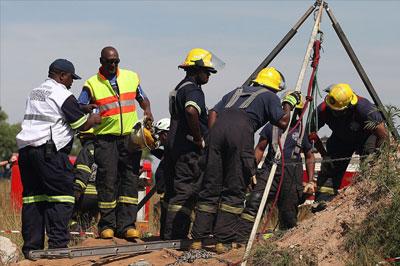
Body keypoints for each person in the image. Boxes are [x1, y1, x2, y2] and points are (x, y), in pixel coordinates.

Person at [191, 67, 301, 253]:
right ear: (275, 87)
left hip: (217, 133)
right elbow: (283, 123)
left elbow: (212, 113)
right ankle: (223, 241)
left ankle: (197, 239)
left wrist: (211, 138)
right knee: (234, 189)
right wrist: (289, 104)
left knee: (210, 187)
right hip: (240, 134)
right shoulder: (269, 96)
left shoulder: (237, 91)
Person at [16, 59, 101, 258]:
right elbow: (82, 125)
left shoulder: (35, 92)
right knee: (62, 196)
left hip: (27, 153)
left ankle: (32, 250)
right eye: (71, 78)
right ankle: (57, 248)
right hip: (49, 153)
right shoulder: (63, 94)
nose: (72, 83)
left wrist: (82, 108)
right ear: (62, 75)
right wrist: (94, 119)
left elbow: (54, 113)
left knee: (34, 200)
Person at [80, 46, 153, 239]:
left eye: (116, 61)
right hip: (105, 139)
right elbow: (80, 106)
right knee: (107, 181)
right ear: (101, 62)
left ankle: (127, 225)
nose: (113, 65)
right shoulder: (91, 83)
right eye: (109, 62)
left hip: (129, 138)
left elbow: (142, 97)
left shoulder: (130, 77)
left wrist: (147, 110)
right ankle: (106, 225)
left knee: (129, 180)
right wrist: (88, 110)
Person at [235, 93, 316, 244]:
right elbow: (259, 149)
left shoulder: (301, 130)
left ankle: (286, 241)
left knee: (288, 210)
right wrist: (251, 171)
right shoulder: (271, 126)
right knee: (255, 201)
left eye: (296, 111)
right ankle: (242, 237)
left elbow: (310, 156)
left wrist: (311, 181)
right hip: (270, 169)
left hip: (291, 173)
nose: (292, 114)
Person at [163, 48, 221, 240]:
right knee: (185, 192)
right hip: (188, 150)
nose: (209, 76)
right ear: (196, 70)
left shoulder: (180, 86)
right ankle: (176, 236)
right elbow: (190, 111)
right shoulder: (193, 90)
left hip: (175, 147)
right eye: (207, 72)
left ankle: (168, 234)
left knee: (173, 193)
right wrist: (198, 138)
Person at [308, 83, 388, 203]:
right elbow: (310, 132)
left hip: (366, 137)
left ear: (349, 105)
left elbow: (382, 133)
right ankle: (322, 202)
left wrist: (379, 154)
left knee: (370, 164)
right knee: (330, 166)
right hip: (341, 137)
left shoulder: (364, 107)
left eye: (338, 111)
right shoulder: (323, 109)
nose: (334, 113)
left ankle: (369, 199)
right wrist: (324, 154)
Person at [70, 130, 98, 232]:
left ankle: (74, 234)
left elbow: (83, 171)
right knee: (87, 222)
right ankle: (86, 237)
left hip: (85, 195)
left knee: (71, 215)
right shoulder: (103, 150)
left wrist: (76, 191)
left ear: (83, 138)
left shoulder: (86, 150)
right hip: (100, 197)